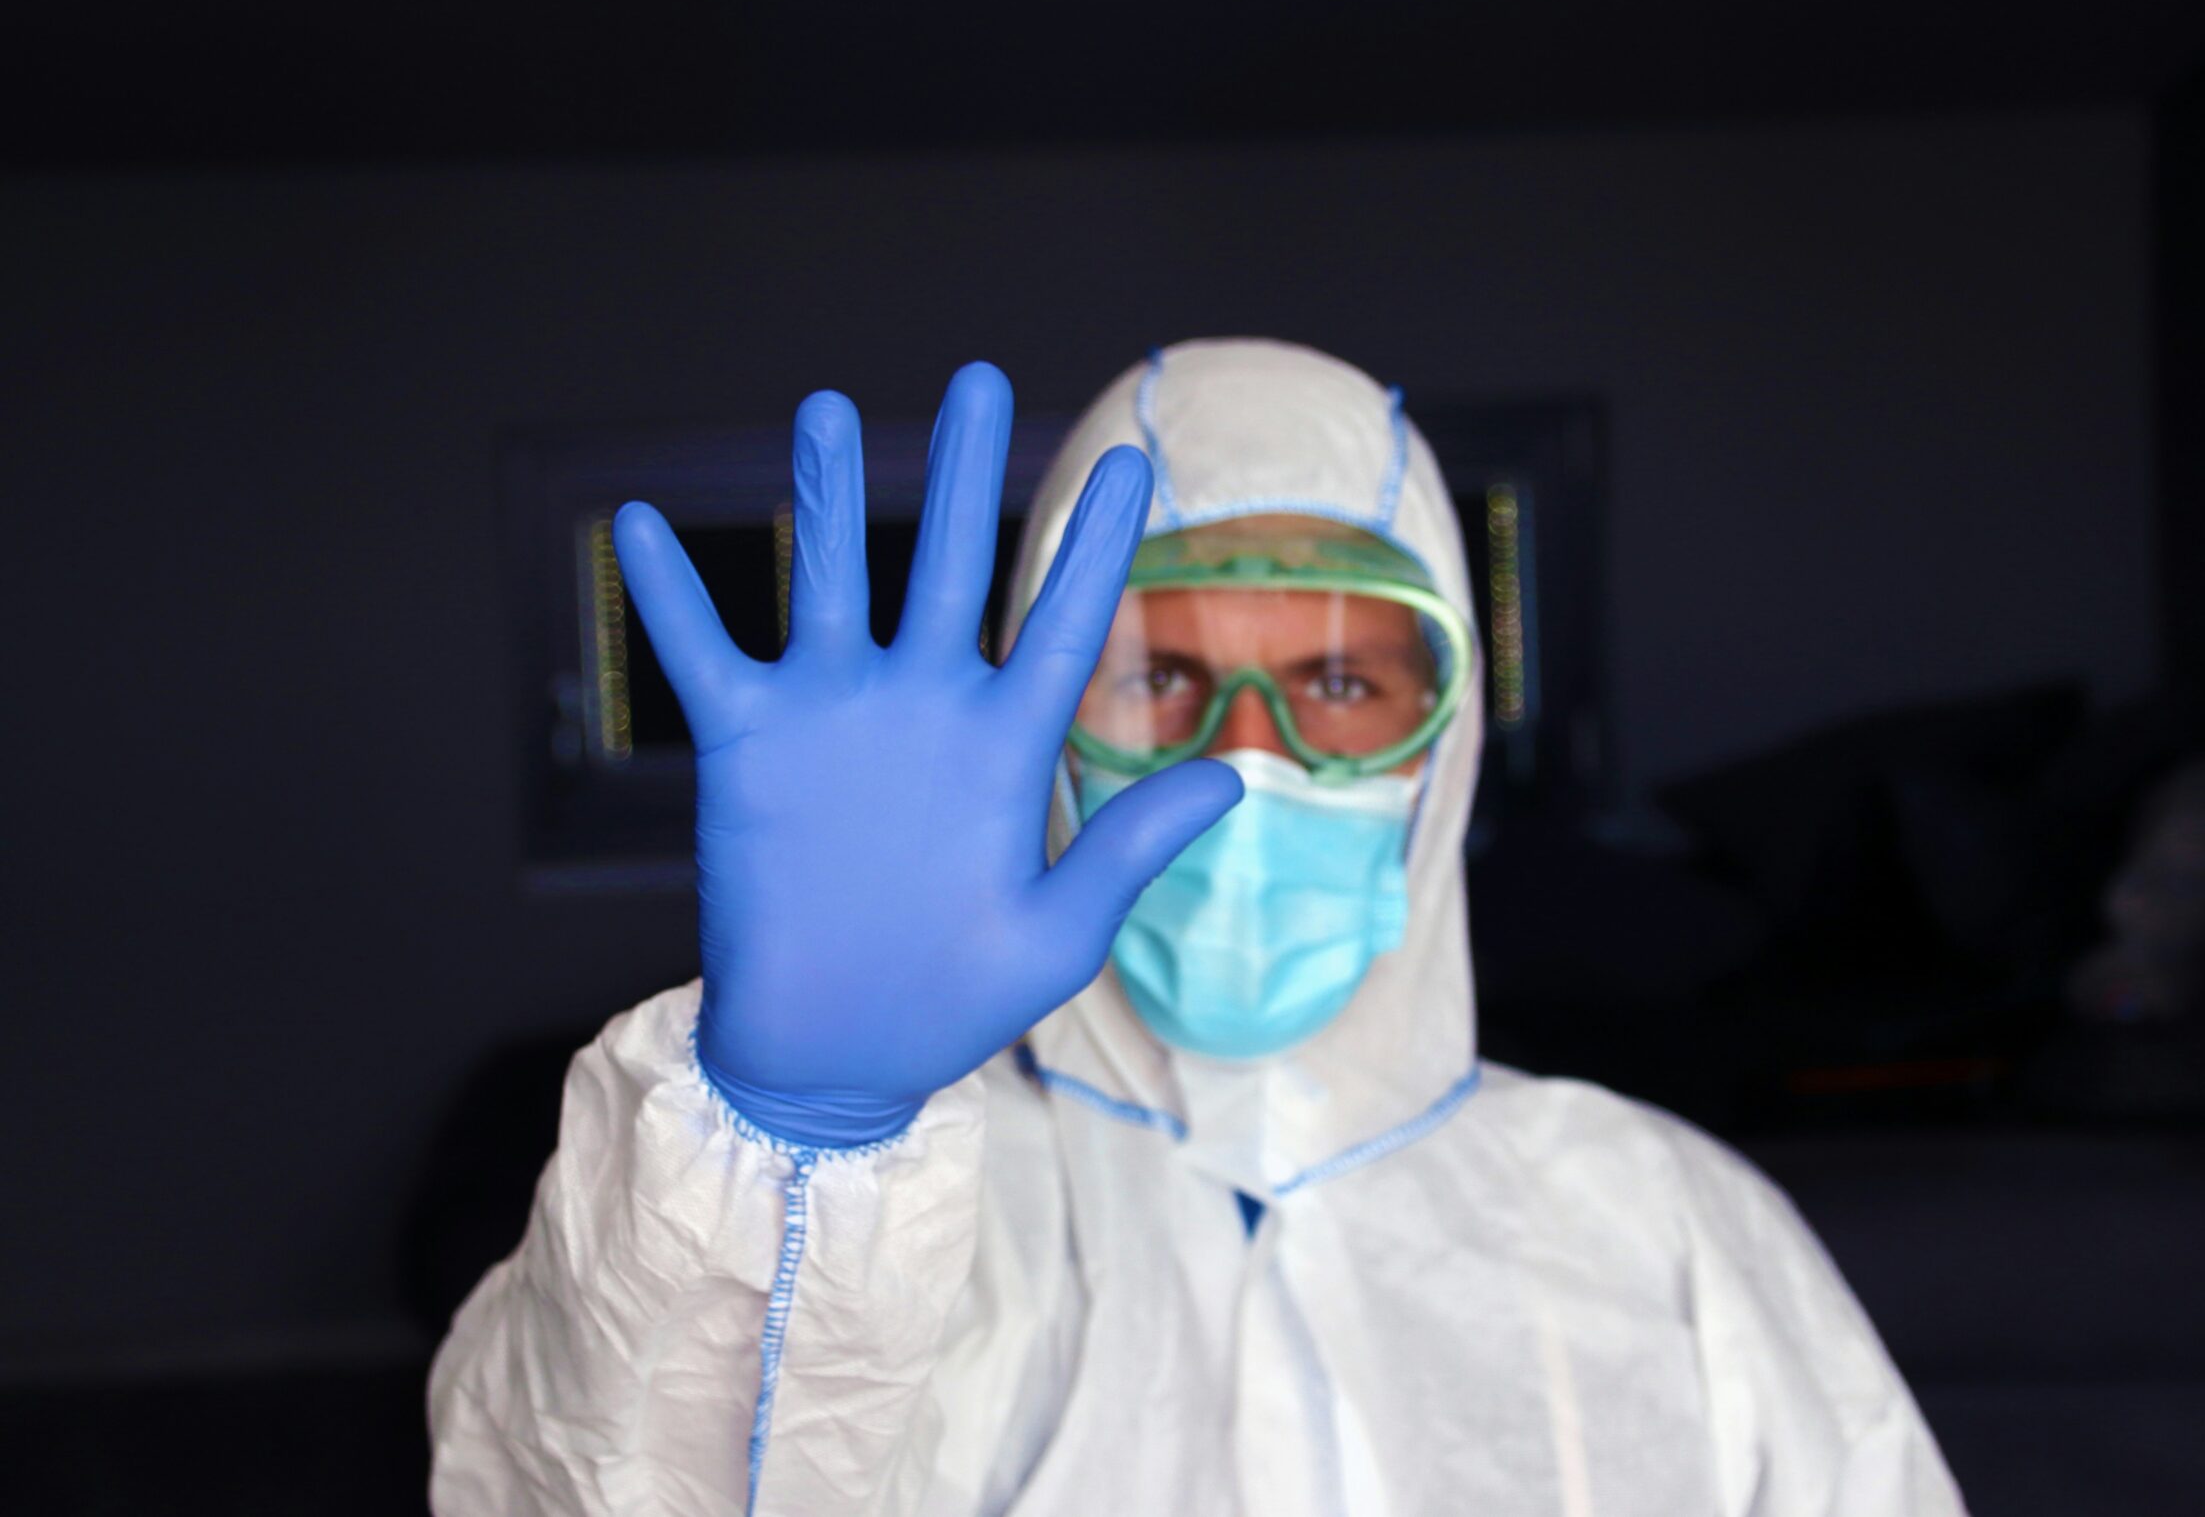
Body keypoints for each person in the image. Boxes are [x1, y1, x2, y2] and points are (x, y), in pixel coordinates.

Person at [428, 339, 1965, 1515]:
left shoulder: (1668, 1229)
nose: (1246, 759)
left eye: (1341, 683)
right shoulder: (881, 1213)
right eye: (1162, 677)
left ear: (1444, 749)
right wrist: (782, 1152)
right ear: (1049, 730)